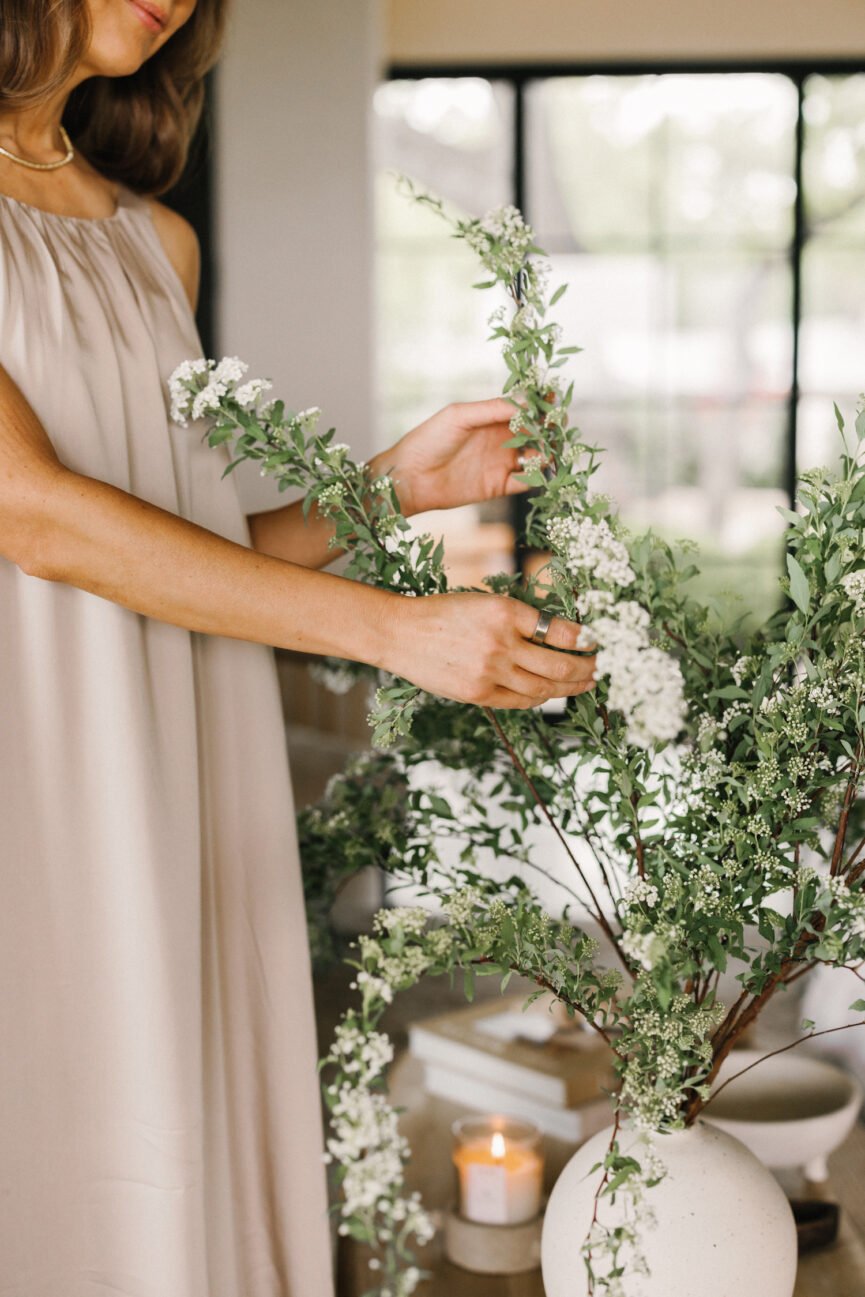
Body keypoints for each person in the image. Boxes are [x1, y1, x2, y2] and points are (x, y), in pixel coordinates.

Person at [0, 2, 597, 1294]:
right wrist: (398, 632)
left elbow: (174, 551)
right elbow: (30, 513)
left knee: (171, 1116)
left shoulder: (153, 239)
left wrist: (392, 489)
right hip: (29, 776)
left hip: (176, 772)